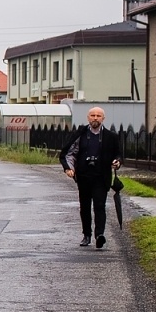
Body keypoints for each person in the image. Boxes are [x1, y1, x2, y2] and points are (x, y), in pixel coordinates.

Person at [59, 106, 122, 248]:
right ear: (88, 118)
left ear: (103, 119)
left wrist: (117, 162)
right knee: (85, 207)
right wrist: (69, 168)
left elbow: (118, 154)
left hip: (101, 176)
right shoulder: (80, 134)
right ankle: (86, 235)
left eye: (98, 116)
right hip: (84, 176)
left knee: (100, 206)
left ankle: (99, 235)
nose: (95, 118)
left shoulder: (111, 136)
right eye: (92, 115)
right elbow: (68, 152)